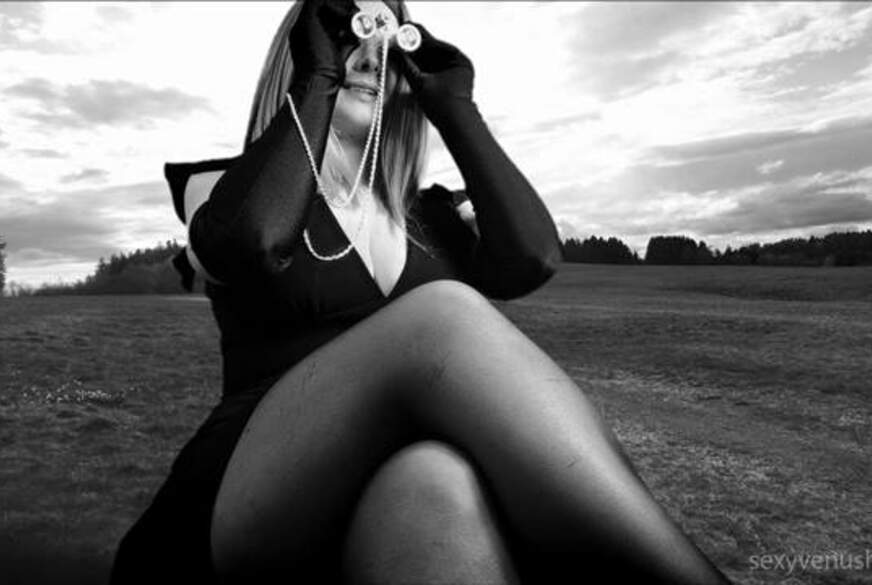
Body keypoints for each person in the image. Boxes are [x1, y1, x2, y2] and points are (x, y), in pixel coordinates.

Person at [110, 1, 734, 584]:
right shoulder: (225, 187)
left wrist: (454, 104)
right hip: (250, 495)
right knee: (443, 312)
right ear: (305, 52)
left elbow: (532, 260)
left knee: (436, 480)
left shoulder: (430, 215)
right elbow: (251, 242)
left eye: (386, 44)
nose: (369, 57)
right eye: (348, 33)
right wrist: (319, 74)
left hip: (385, 509)